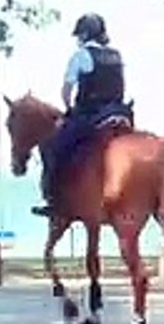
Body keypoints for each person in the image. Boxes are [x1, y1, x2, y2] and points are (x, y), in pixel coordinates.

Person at [31, 13, 135, 216]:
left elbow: (66, 91)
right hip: (120, 113)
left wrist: (69, 108)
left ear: (85, 34)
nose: (78, 38)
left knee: (51, 146)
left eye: (80, 34)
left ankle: (54, 200)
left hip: (91, 116)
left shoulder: (80, 56)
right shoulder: (117, 55)